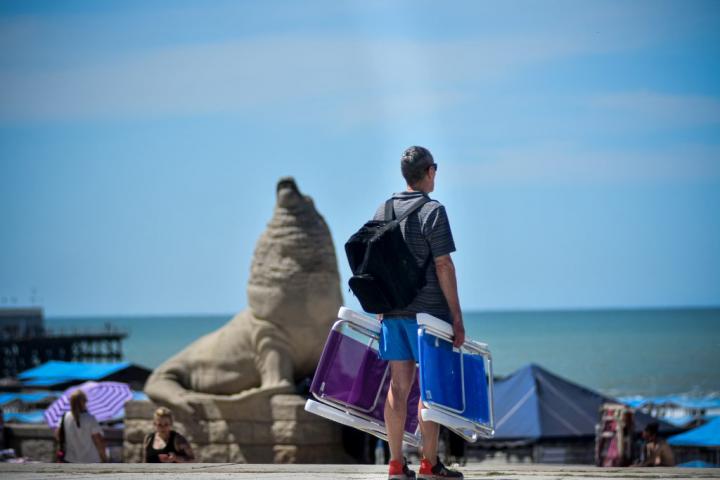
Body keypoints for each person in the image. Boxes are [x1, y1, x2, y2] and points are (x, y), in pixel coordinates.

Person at [375, 146, 465, 479]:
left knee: (398, 389)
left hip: (392, 313)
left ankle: (396, 463)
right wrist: (456, 317)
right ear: (428, 171)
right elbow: (443, 264)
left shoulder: (382, 210)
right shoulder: (433, 211)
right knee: (431, 390)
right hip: (428, 317)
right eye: (435, 169)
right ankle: (429, 464)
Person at [55, 390, 107, 463]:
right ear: (83, 402)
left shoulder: (64, 417)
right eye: (86, 401)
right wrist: (104, 457)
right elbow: (98, 440)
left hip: (70, 459)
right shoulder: (90, 418)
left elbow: (58, 435)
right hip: (91, 460)